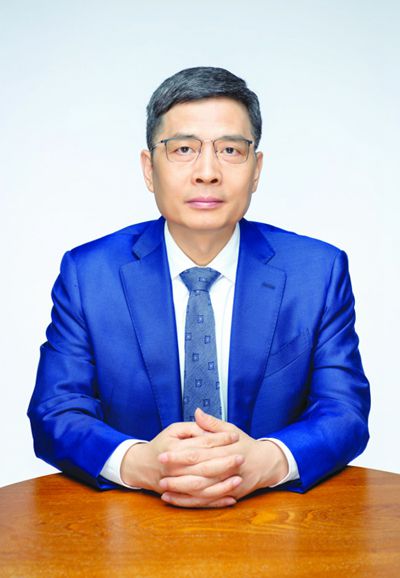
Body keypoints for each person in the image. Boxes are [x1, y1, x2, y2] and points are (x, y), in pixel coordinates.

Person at [28, 67, 370, 509]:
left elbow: (344, 411)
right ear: (149, 169)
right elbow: (56, 411)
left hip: (275, 521)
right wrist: (140, 463)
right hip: (130, 525)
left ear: (256, 169)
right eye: (184, 149)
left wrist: (265, 461)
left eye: (230, 150)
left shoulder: (317, 272)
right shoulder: (89, 275)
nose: (207, 172)